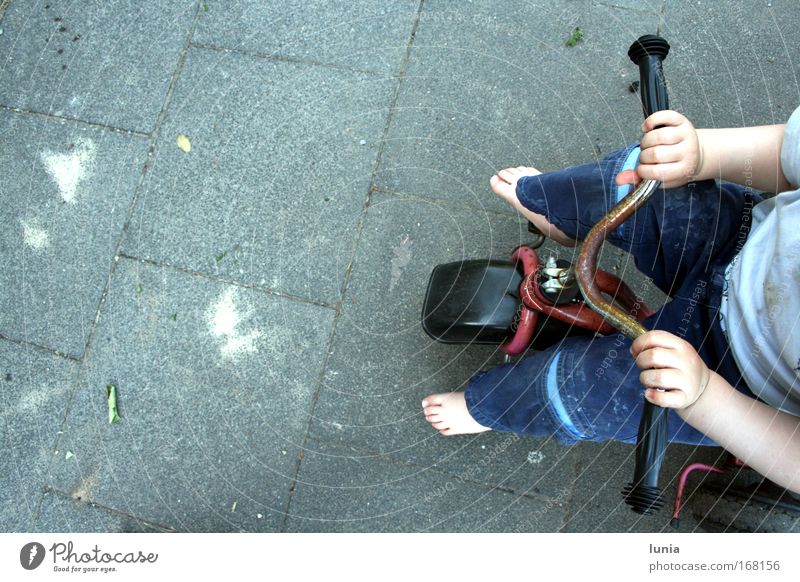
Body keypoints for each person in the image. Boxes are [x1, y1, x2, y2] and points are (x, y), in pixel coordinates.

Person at [422, 107, 800, 494]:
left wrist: (704, 395)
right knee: (634, 176)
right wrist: (702, 154)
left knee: (580, 391)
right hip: (744, 235)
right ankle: (554, 212)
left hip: (732, 374)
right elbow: (789, 150)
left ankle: (489, 406)